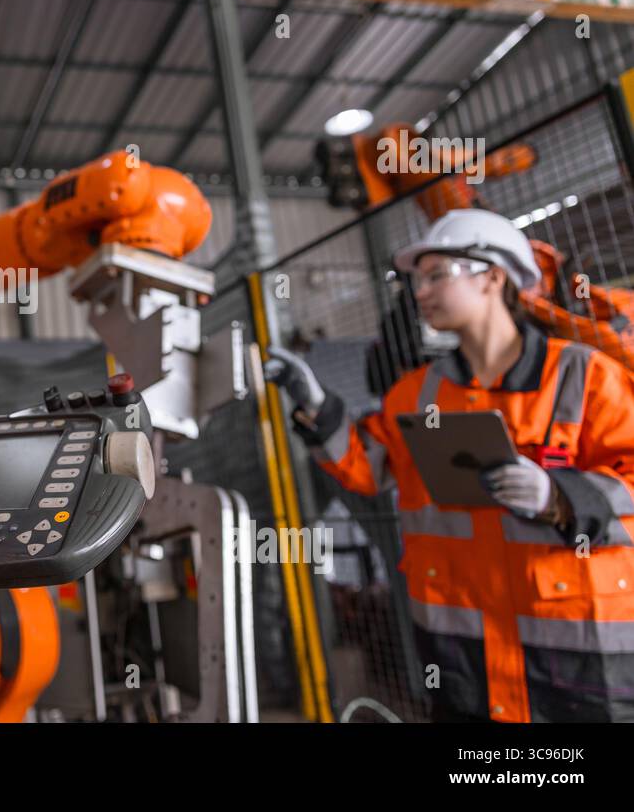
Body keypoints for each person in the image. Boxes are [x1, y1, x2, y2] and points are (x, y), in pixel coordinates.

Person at [267, 208, 634, 722]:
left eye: (437, 274)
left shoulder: (585, 376)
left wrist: (561, 497)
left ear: (493, 278)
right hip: (464, 661)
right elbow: (368, 468)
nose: (420, 292)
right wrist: (316, 408)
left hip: (579, 662)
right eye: (417, 280)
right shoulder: (417, 394)